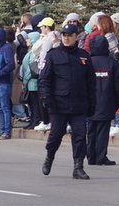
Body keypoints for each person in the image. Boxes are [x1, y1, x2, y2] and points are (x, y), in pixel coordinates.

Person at [38, 22, 95, 179]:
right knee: (56, 134)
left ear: (77, 37)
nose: (67, 38)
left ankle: (78, 167)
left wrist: (92, 103)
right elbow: (44, 79)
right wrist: (46, 97)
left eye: (70, 36)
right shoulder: (53, 55)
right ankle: (50, 156)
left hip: (79, 104)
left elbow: (91, 82)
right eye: (64, 35)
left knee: (79, 135)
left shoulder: (84, 56)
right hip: (58, 103)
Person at [86, 34, 119, 167]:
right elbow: (118, 86)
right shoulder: (112, 63)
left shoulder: (88, 62)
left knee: (91, 130)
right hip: (107, 101)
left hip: (90, 102)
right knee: (103, 131)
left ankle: (91, 156)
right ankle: (101, 156)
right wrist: (116, 103)